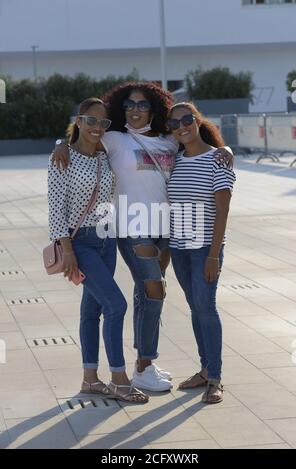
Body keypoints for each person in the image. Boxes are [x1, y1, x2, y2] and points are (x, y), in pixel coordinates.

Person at [52, 82, 233, 392]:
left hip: (168, 230)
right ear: (121, 108)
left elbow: (199, 146)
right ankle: (144, 366)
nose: (135, 110)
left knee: (146, 294)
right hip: (133, 228)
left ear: (154, 109)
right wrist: (60, 142)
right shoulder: (114, 138)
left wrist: (225, 149)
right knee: (154, 290)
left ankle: (140, 363)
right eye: (129, 105)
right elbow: (84, 134)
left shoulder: (168, 139)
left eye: (142, 105)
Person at [48, 97, 148, 403]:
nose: (96, 127)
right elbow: (55, 210)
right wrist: (69, 252)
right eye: (90, 120)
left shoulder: (105, 156)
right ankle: (119, 378)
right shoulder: (62, 158)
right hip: (80, 243)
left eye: (103, 122)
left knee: (91, 310)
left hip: (107, 240)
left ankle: (90, 380)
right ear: (78, 120)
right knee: (116, 305)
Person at [167, 102, 236, 404]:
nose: (181, 126)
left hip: (204, 249)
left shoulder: (217, 159)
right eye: (174, 123)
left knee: (206, 308)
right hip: (179, 249)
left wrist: (212, 255)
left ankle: (217, 379)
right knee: (195, 307)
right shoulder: (175, 160)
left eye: (186, 120)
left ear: (197, 121)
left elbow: (223, 210)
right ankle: (205, 369)